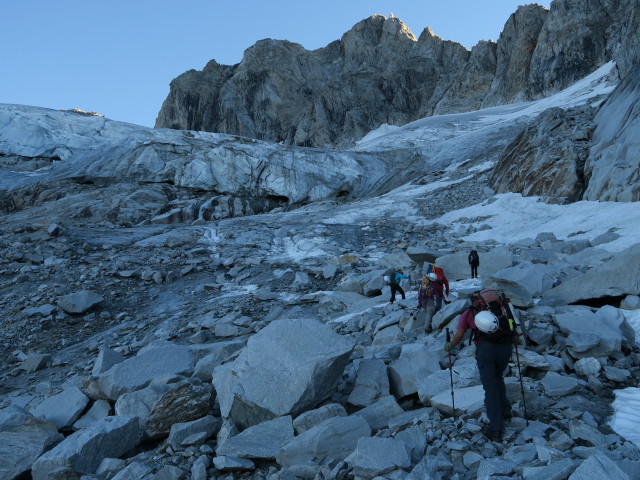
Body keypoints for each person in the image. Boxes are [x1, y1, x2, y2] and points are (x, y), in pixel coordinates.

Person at [444, 293, 513, 441]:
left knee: (490, 387)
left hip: (486, 350)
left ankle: (496, 428)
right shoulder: (502, 308)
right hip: (505, 347)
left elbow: (459, 334)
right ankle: (505, 410)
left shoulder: (469, 313)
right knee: (498, 376)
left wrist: (450, 346)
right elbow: (513, 324)